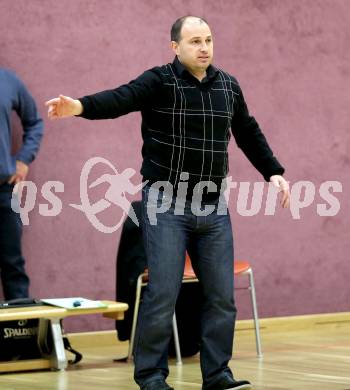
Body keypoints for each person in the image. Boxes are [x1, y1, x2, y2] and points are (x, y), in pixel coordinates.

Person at [46, 16, 290, 390]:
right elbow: (120, 98)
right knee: (162, 293)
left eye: (208, 39)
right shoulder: (159, 81)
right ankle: (151, 376)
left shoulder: (228, 86)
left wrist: (272, 171)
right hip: (165, 204)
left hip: (213, 206)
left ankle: (218, 375)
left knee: (222, 297)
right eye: (194, 41)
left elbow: (247, 131)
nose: (204, 47)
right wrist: (78, 106)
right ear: (175, 47)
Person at [0, 68, 44, 300]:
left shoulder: (7, 80)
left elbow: (35, 122)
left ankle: (22, 332)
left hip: (3, 192)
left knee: (13, 266)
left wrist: (23, 159)